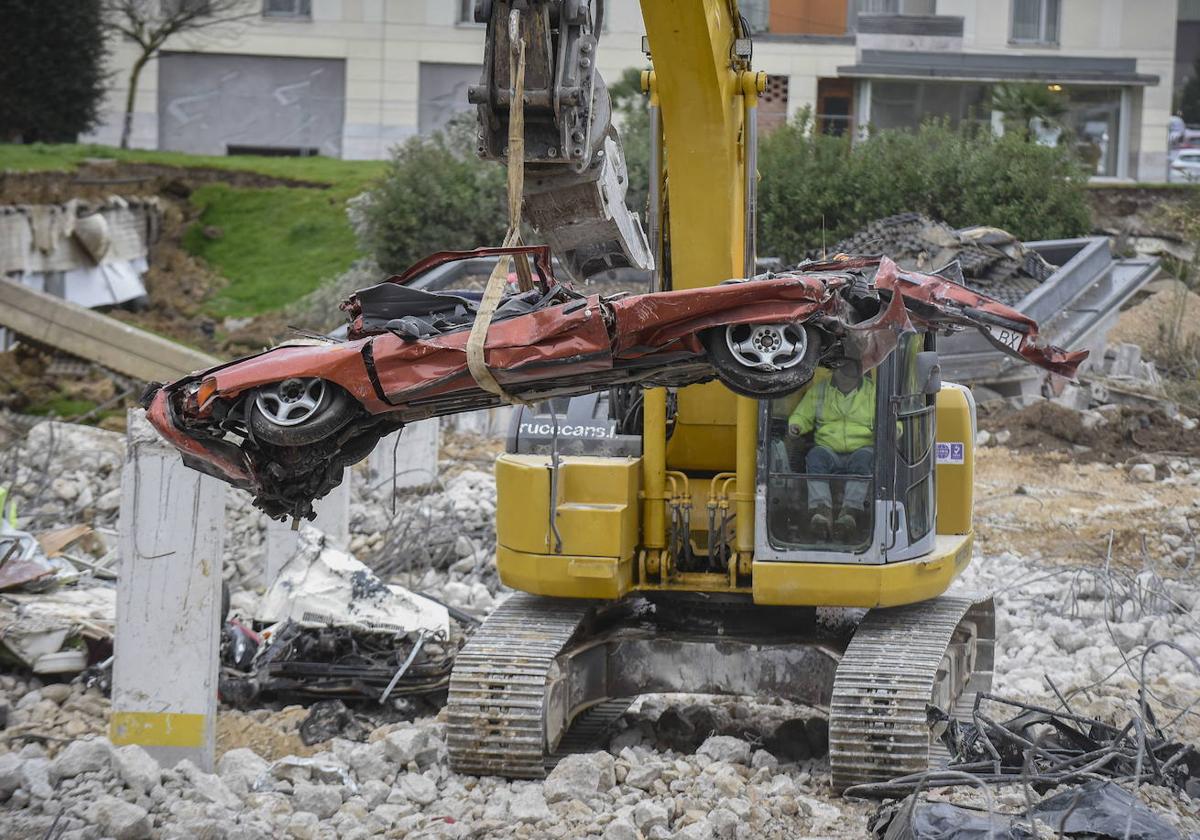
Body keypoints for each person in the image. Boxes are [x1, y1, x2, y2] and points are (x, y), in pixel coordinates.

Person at [787, 359, 875, 540]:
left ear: (859, 374)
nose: (846, 381)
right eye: (842, 375)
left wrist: (896, 429)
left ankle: (850, 512)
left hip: (861, 448)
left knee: (863, 460)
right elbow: (802, 414)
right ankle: (822, 511)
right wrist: (796, 425)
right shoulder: (821, 390)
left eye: (850, 377)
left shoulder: (873, 392)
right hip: (828, 449)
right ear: (835, 372)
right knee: (815, 457)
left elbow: (892, 418)